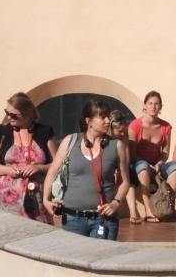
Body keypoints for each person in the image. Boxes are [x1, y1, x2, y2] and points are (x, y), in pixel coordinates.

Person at [42, 99, 131, 239]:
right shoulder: (70, 141)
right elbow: (52, 172)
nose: (108, 121)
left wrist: (116, 203)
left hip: (104, 219)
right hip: (72, 219)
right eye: (103, 117)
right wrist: (46, 199)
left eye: (108, 116)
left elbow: (125, 182)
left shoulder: (117, 146)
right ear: (89, 121)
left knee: (102, 253)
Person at [0, 92, 58, 223]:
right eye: (7, 112)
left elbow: (58, 164)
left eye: (13, 115)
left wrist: (39, 168)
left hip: (37, 199)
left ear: (26, 113)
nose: (8, 117)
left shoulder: (44, 131)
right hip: (6, 200)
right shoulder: (2, 132)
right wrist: (8, 170)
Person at [128, 91, 176, 222]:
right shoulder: (135, 125)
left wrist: (159, 164)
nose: (153, 106)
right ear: (145, 105)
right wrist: (147, 165)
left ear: (161, 106)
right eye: (150, 103)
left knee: (175, 168)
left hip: (157, 164)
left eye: (156, 104)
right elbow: (132, 153)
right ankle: (149, 210)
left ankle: (166, 205)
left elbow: (165, 152)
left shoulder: (166, 127)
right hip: (139, 164)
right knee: (143, 167)